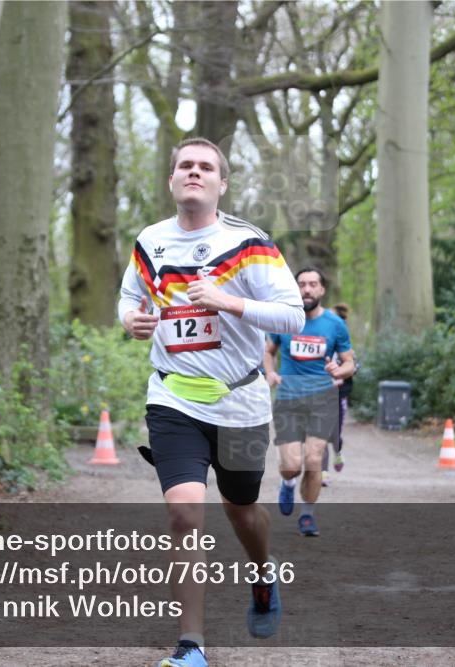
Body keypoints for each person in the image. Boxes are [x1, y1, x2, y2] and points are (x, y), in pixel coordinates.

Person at [118, 137, 304, 667]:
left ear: (222, 183)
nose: (194, 172)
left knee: (241, 509)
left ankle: (262, 574)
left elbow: (291, 316)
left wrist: (230, 301)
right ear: (172, 179)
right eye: (185, 165)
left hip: (240, 402)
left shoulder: (251, 244)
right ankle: (191, 647)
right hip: (173, 397)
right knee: (184, 512)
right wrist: (129, 319)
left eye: (206, 167)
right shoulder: (150, 242)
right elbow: (130, 297)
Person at [264, 269, 355, 537]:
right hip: (289, 399)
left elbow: (349, 362)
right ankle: (287, 483)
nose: (306, 289)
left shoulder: (335, 324)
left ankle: (307, 515)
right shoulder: (284, 319)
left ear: (322, 290)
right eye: (301, 284)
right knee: (291, 466)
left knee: (314, 459)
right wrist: (269, 372)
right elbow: (269, 352)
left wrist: (339, 371)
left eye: (312, 284)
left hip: (322, 400)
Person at [320, 303, 356, 485]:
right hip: (320, 396)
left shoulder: (345, 348)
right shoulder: (318, 343)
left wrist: (340, 375)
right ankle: (323, 472)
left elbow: (353, 367)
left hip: (339, 396)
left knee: (335, 436)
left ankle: (338, 451)